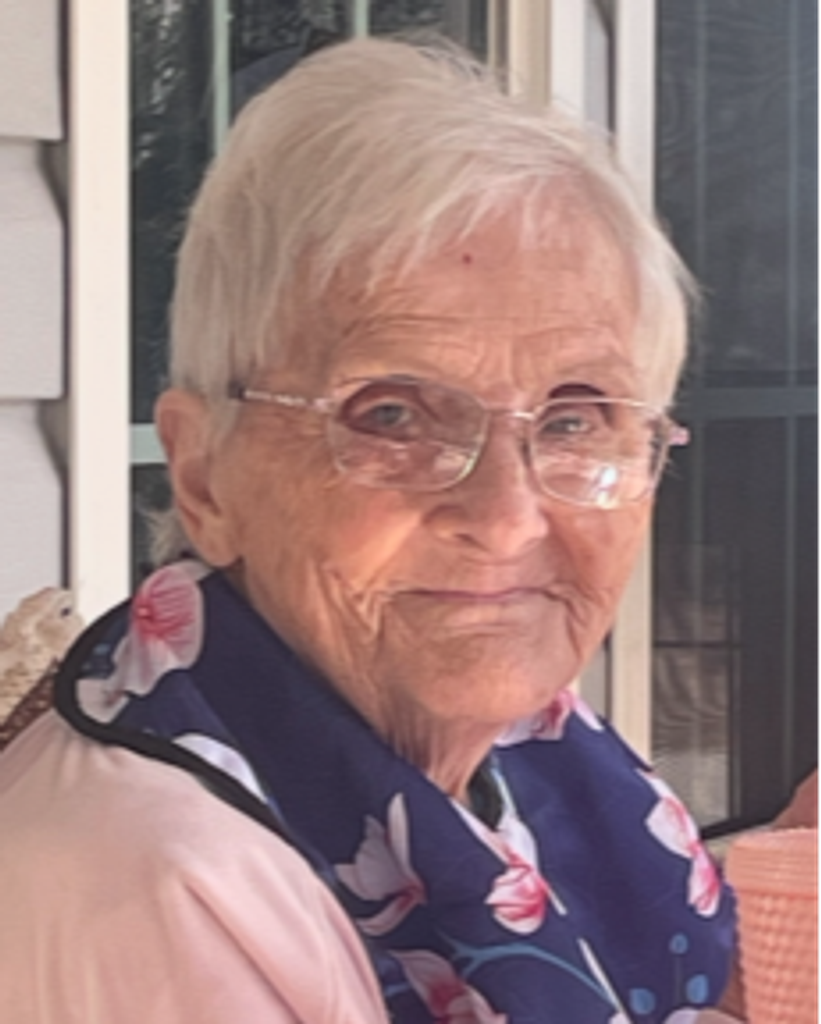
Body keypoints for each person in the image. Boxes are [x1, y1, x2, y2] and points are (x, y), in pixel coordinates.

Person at [0, 36, 817, 1024]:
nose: (506, 519)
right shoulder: (153, 884)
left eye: (573, 419)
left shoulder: (534, 747)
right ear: (205, 474)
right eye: (390, 415)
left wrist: (769, 958)